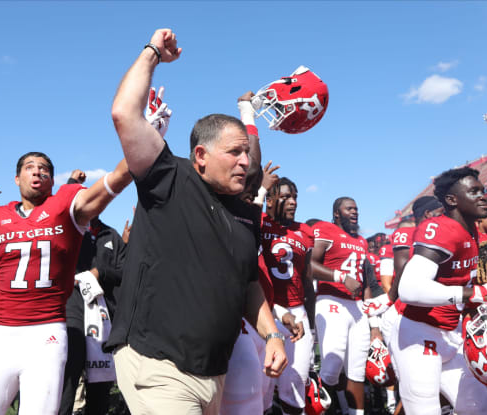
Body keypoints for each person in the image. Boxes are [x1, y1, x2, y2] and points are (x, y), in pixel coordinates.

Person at [105, 28, 287, 415]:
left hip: (213, 373)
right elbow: (124, 113)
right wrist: (153, 52)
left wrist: (271, 334)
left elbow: (248, 283)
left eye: (246, 153)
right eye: (234, 152)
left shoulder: (245, 214)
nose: (245, 161)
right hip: (159, 367)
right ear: (201, 155)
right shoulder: (169, 178)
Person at [0, 152, 133, 415]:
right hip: (0, 333)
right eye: (30, 167)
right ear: (17, 178)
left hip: (46, 335)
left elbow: (116, 179)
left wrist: (143, 137)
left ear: (52, 181)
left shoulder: (67, 208)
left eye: (44, 169)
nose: (37, 171)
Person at [393, 167, 487, 414]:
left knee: (479, 408)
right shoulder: (441, 228)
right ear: (451, 200)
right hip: (419, 332)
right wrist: (478, 294)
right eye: (474, 191)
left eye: (483, 191)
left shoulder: (472, 230)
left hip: (452, 331)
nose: (483, 196)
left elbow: (460, 283)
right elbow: (410, 288)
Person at [58, 170, 128, 415]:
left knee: (100, 388)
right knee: (67, 380)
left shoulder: (111, 235)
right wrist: (71, 185)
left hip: (105, 317)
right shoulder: (66, 228)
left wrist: (101, 273)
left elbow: (125, 272)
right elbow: (57, 209)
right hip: (71, 312)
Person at [311, 196, 384, 415]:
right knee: (332, 369)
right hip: (331, 301)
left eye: (356, 208)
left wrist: (374, 323)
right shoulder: (325, 229)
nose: (355, 212)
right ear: (336, 213)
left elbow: (366, 284)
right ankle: (316, 408)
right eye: (349, 208)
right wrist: (340, 277)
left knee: (357, 371)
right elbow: (309, 265)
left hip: (357, 306)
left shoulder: (361, 241)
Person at [261, 176, 313, 415]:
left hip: (296, 312)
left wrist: (310, 320)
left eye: (295, 197)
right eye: (285, 197)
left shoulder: (305, 231)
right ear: (269, 201)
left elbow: (307, 279)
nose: (293, 202)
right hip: (263, 311)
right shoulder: (258, 222)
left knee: (295, 386)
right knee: (260, 390)